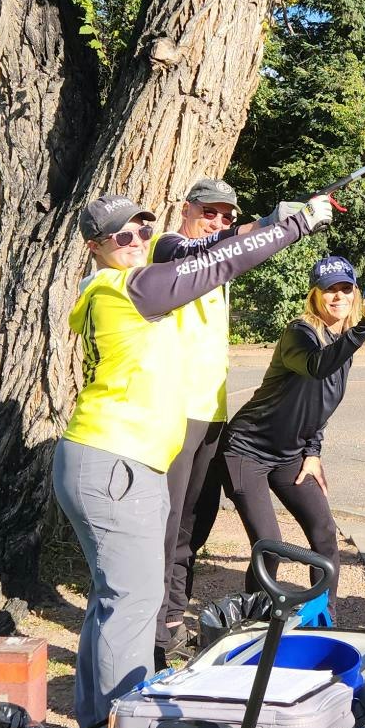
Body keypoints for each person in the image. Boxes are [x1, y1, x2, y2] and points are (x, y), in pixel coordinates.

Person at [53, 191, 330, 728]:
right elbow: (217, 263)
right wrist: (295, 229)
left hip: (115, 460)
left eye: (142, 230)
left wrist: (269, 222)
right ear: (95, 248)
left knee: (116, 600)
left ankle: (96, 725)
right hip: (114, 460)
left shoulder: (128, 283)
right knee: (133, 602)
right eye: (121, 236)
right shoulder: (129, 287)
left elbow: (213, 249)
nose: (135, 241)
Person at [218, 255, 365, 607]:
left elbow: (319, 406)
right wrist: (364, 326)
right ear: (315, 295)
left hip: (290, 455)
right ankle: (255, 619)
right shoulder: (300, 333)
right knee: (270, 544)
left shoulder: (342, 342)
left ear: (356, 293)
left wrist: (313, 452)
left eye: (346, 288)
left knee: (325, 532)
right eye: (329, 290)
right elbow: (316, 366)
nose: (338, 296)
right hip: (246, 451)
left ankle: (321, 618)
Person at [153, 177, 246, 656]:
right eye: (211, 211)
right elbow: (211, 247)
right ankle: (155, 631)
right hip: (178, 409)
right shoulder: (169, 247)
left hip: (213, 411)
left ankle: (173, 612)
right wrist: (274, 224)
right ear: (187, 208)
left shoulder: (218, 271)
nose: (220, 221)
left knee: (196, 518)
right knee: (168, 521)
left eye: (228, 215)